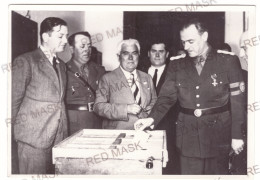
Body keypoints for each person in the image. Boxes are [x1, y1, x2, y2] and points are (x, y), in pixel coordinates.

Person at [134, 19, 246, 174]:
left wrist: (237, 136)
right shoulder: (176, 64)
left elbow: (237, 102)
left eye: (191, 41)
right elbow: (166, 98)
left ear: (204, 36)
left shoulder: (228, 61)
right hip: (188, 137)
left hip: (218, 135)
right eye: (183, 42)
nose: (186, 47)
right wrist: (151, 118)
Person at [12, 17, 69, 174]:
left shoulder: (61, 65)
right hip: (33, 140)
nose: (65, 40)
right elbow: (12, 102)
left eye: (66, 36)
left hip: (59, 138)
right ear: (45, 36)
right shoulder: (25, 61)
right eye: (60, 36)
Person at [94, 39, 157, 129]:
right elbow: (98, 107)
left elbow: (154, 101)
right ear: (118, 56)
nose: (130, 58)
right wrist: (126, 109)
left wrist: (146, 113)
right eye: (126, 53)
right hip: (118, 132)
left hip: (144, 131)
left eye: (134, 53)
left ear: (138, 55)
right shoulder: (107, 78)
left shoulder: (147, 77)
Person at [142, 41, 180, 174]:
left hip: (168, 126)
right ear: (148, 53)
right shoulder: (139, 73)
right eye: (154, 51)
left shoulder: (175, 73)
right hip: (144, 127)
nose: (157, 55)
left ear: (167, 54)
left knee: (167, 164)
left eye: (161, 51)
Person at [65, 32, 105, 135]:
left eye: (89, 46)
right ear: (72, 49)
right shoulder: (63, 70)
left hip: (97, 122)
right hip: (74, 124)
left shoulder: (99, 70)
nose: (87, 50)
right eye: (82, 46)